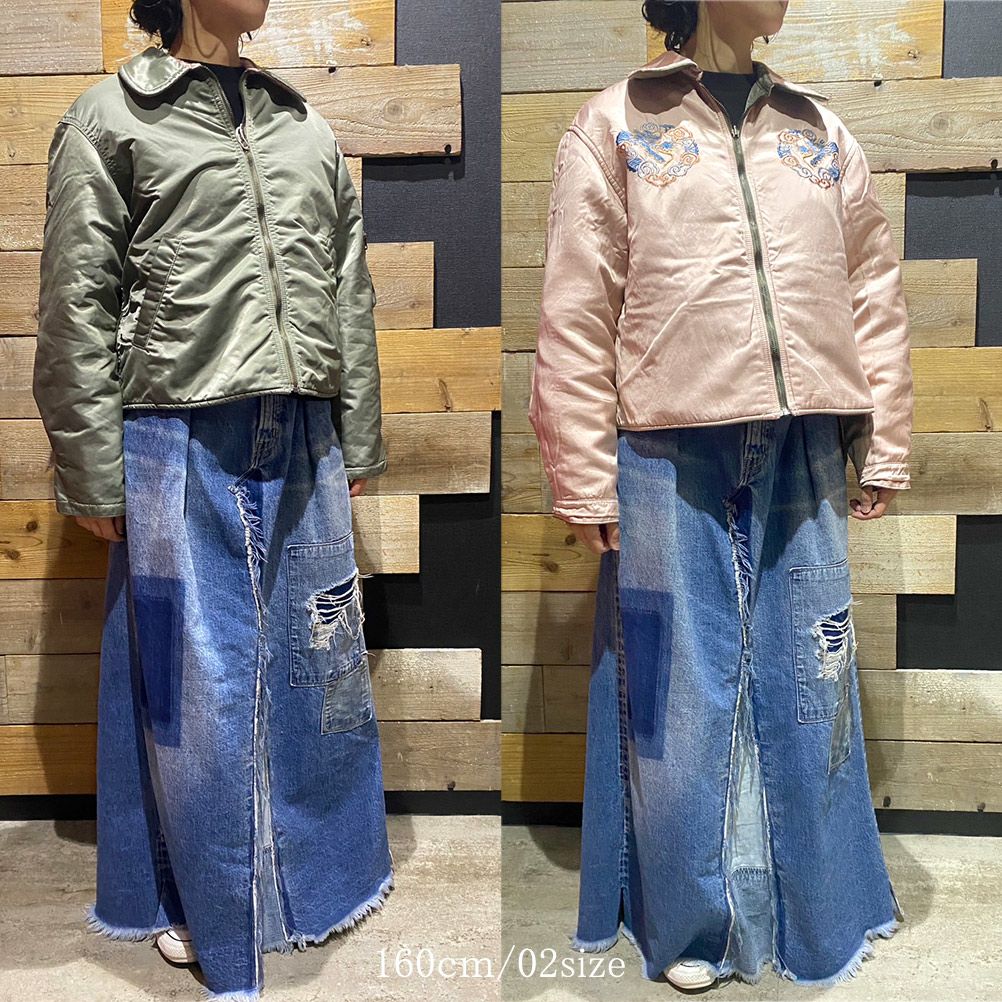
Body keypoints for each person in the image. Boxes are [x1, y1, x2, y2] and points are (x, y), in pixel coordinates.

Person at [528, 0, 911, 991]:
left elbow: (872, 290)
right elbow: (578, 306)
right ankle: (692, 923)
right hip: (666, 444)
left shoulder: (820, 132)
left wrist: (883, 440)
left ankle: (817, 909)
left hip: (804, 444)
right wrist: (582, 470)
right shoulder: (616, 121)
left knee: (811, 675)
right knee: (679, 694)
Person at [34, 0, 393, 996]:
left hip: (303, 428)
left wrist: (357, 431)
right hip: (176, 429)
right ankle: (203, 900)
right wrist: (92, 467)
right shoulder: (111, 117)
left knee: (319, 664)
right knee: (197, 684)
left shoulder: (302, 123)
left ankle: (310, 886)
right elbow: (75, 300)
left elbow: (346, 285)